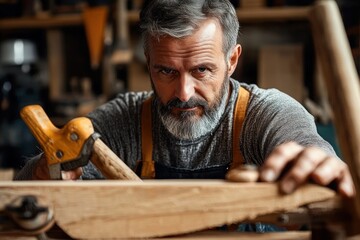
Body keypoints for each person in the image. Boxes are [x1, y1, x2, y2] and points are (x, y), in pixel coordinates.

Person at [16, 0, 354, 199]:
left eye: (202, 70)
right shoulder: (125, 119)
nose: (183, 93)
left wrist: (319, 165)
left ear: (232, 61)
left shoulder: (266, 114)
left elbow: (309, 148)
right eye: (165, 71)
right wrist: (49, 170)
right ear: (148, 63)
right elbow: (27, 187)